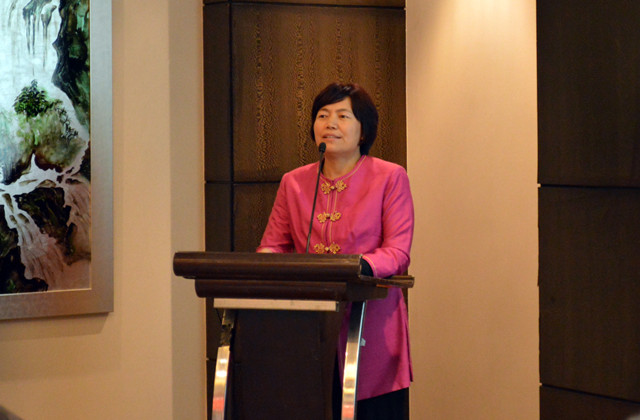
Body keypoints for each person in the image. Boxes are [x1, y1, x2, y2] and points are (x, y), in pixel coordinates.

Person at [257, 82, 414, 419]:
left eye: (343, 116)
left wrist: (358, 266)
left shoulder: (390, 177)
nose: (330, 123)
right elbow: (273, 245)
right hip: (308, 328)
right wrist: (266, 264)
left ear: (363, 130)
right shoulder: (293, 182)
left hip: (371, 324)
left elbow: (398, 251)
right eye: (323, 115)